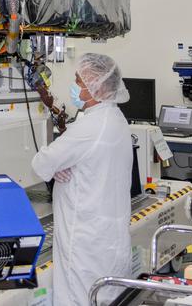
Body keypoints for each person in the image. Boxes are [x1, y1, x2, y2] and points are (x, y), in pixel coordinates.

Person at [30, 53, 133, 306]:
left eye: (78, 80)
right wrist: (59, 166)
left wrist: (55, 167)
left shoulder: (90, 127)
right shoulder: (115, 118)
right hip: (110, 237)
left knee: (81, 299)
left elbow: (41, 163)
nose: (74, 85)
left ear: (93, 86)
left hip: (86, 243)